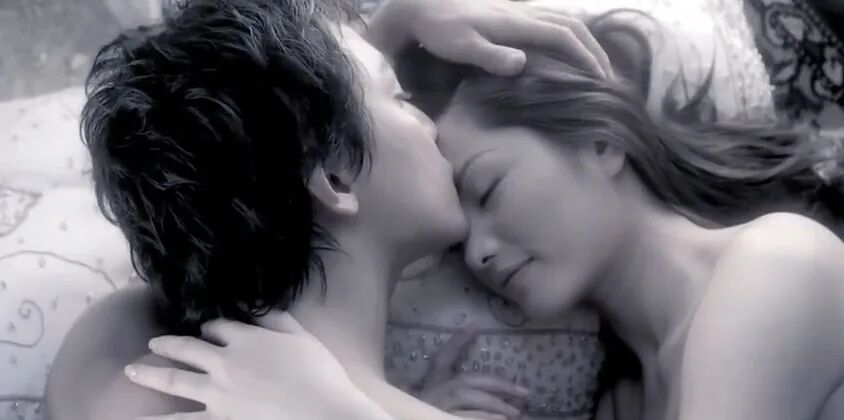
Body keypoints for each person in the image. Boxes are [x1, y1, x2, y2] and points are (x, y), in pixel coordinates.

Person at [129, 10, 844, 420]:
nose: (477, 254)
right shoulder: (623, 400)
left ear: (600, 137)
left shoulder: (775, 263)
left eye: (490, 187)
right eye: (464, 229)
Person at [43, 0, 612, 419]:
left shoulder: (119, 349)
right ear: (335, 178)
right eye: (400, 98)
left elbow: (219, 162)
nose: (431, 125)